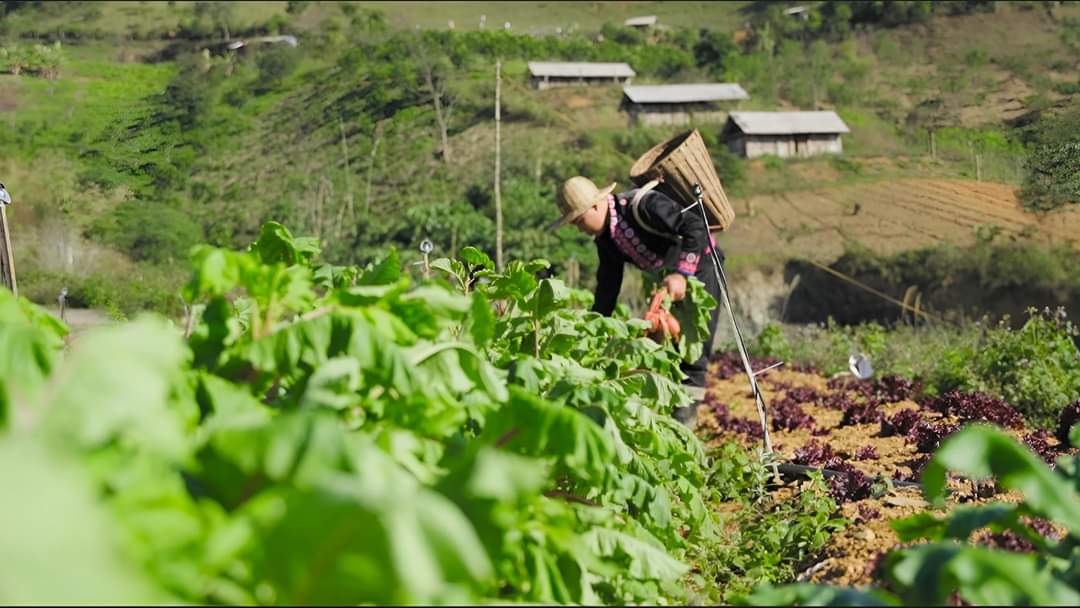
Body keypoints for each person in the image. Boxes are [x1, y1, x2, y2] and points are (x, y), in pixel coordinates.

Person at [549, 175, 724, 427]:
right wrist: (595, 329)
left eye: (578, 220)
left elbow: (695, 226)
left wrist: (683, 274)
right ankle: (669, 412)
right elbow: (608, 287)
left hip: (702, 267)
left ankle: (685, 420)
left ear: (596, 206)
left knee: (694, 349)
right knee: (665, 347)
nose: (579, 228)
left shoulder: (643, 206)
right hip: (667, 280)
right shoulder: (606, 241)